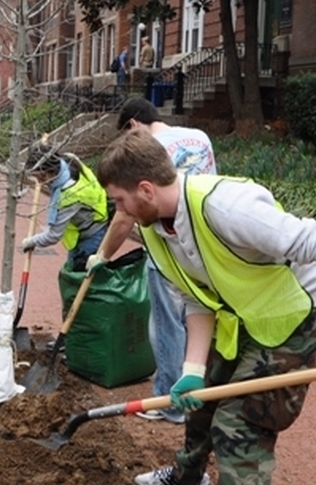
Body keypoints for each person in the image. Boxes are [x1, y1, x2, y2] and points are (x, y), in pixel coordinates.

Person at [96, 129, 316, 485]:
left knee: (240, 426)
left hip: (295, 315)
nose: (119, 212)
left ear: (145, 189)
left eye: (119, 200)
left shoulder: (227, 207)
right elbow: (196, 298)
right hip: (243, 317)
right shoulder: (157, 228)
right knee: (200, 401)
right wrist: (191, 368)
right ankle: (186, 478)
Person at [89, 98, 215, 425]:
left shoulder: (145, 151)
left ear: (133, 124)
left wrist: (101, 256)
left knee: (165, 324)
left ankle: (166, 400)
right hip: (204, 245)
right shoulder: (199, 136)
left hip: (167, 248)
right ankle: (193, 391)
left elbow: (124, 216)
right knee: (196, 319)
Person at [21, 145, 109, 264]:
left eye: (41, 177)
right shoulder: (68, 160)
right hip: (92, 219)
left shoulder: (68, 196)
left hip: (92, 234)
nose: (40, 182)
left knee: (78, 278)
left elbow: (53, 235)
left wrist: (31, 241)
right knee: (71, 274)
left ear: (50, 172)